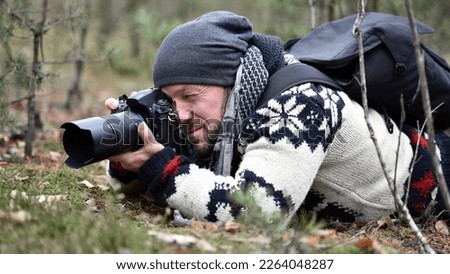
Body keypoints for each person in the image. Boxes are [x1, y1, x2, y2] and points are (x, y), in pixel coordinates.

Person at [104, 10, 450, 225]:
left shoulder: (300, 105)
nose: (179, 113)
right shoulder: (225, 115)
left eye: (190, 96)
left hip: (435, 178)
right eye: (170, 99)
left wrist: (160, 167)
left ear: (232, 80)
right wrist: (131, 156)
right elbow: (182, 172)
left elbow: (253, 214)